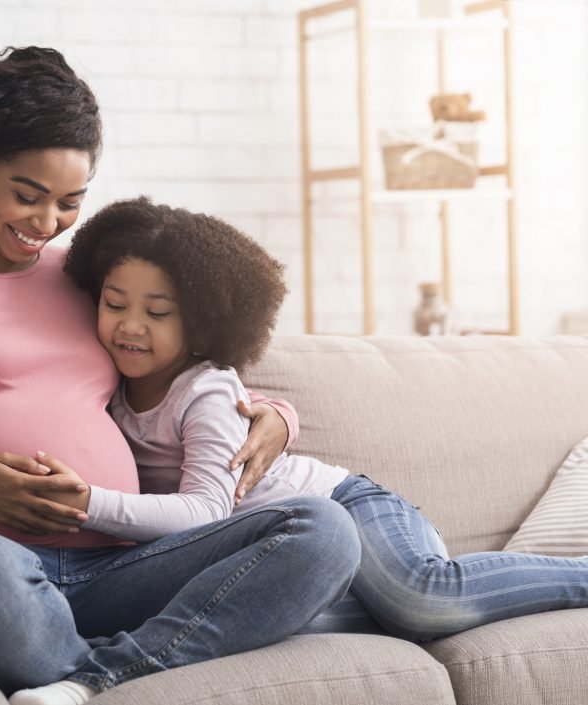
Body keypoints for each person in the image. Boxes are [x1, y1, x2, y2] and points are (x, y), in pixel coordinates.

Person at [0, 46, 361, 705]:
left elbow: (159, 363)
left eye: (69, 202)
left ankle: (92, 677)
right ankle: (163, 650)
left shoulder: (79, 275)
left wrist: (271, 411)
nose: (45, 223)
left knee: (321, 530)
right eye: (27, 196)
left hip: (124, 563)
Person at [41, 195, 588, 654]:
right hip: (287, 555)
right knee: (273, 619)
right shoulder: (103, 385)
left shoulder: (204, 391)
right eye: (115, 305)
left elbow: (204, 511)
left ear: (202, 319)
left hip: (347, 508)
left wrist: (89, 501)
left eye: (157, 313)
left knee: (422, 597)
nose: (130, 327)